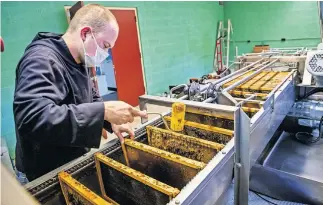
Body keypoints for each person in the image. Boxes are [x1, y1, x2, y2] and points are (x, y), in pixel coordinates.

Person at [13, 4, 147, 181]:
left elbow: (91, 97)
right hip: (42, 172)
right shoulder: (41, 60)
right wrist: (103, 111)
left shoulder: (80, 59)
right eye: (105, 46)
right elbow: (33, 118)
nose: (106, 54)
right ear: (85, 33)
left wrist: (109, 121)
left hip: (71, 158)